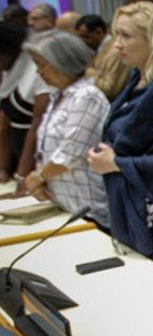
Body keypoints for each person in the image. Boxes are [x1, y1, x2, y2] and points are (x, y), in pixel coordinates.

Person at [86, 1, 153, 279]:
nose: (117, 44)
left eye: (126, 35)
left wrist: (118, 163)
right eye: (116, 35)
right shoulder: (139, 78)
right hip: (135, 200)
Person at [22, 30, 109, 227]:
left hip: (87, 207)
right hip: (63, 204)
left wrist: (38, 177)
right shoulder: (57, 96)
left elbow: (71, 152)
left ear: (64, 62)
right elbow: (47, 148)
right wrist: (40, 179)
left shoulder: (86, 95)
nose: (39, 72)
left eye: (42, 65)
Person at [0, 22, 52, 190]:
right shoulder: (8, 70)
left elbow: (37, 124)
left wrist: (22, 176)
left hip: (39, 165)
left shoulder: (37, 70)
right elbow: (3, 123)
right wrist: (4, 169)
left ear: (7, 51)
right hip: (18, 160)